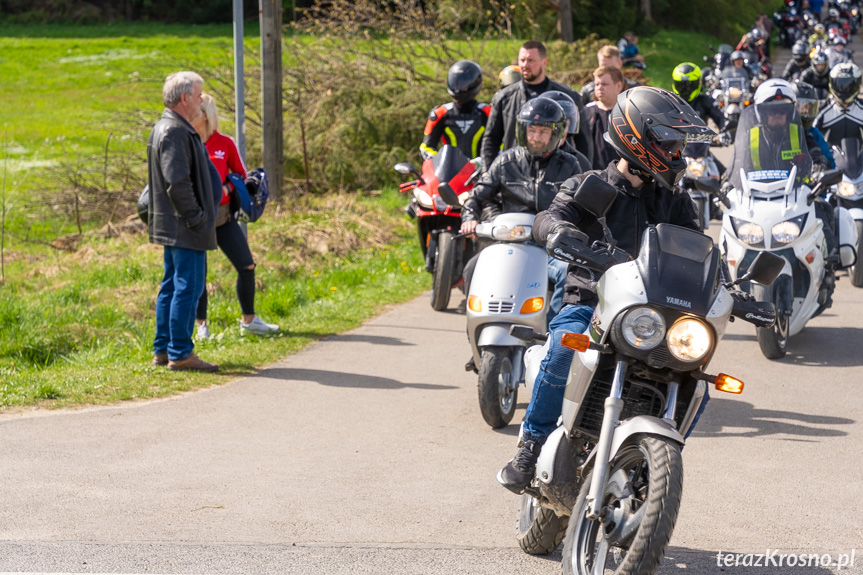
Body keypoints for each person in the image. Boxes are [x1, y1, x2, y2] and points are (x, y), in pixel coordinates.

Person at [496, 87, 710, 494]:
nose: (678, 153)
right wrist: (558, 229)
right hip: (591, 304)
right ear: (637, 137)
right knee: (562, 346)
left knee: (695, 380)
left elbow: (697, 247)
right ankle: (530, 445)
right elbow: (550, 216)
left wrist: (730, 285)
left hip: (652, 316)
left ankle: (656, 462)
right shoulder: (590, 185)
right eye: (670, 143)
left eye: (679, 145)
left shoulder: (674, 200)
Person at [460, 98, 583, 336]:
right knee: (472, 268)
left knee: (568, 270)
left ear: (556, 133)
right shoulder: (506, 161)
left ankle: (549, 333)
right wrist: (469, 217)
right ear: (522, 130)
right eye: (532, 130)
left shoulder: (571, 165)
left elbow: (585, 205)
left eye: (544, 131)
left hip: (549, 248)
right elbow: (477, 196)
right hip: (508, 243)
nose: (536, 137)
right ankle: (476, 332)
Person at [191, 94, 279, 338]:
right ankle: (201, 327)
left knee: (247, 265)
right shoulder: (188, 143)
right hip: (198, 221)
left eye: (197, 111)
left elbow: (242, 176)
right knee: (199, 274)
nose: (192, 115)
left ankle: (249, 321)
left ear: (206, 115)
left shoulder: (225, 143)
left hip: (222, 218)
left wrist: (226, 190)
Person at [148, 71, 218, 372]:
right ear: (185, 98)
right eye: (199, 95)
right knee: (187, 287)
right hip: (184, 226)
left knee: (171, 287)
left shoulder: (168, 126)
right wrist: (197, 218)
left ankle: (163, 350)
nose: (202, 100)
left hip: (174, 225)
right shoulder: (175, 131)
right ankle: (180, 352)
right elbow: (177, 183)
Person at [481, 41, 592, 170]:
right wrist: (486, 172)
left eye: (530, 61)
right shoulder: (504, 97)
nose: (525, 65)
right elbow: (491, 139)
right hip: (515, 173)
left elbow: (584, 141)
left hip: (557, 173)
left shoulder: (568, 97)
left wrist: (584, 175)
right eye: (522, 60)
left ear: (544, 62)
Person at [420, 60, 490, 162]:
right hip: (449, 173)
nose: (459, 88)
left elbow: (501, 144)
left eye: (464, 83)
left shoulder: (489, 112)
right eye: (456, 82)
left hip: (482, 172)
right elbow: (426, 147)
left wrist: (483, 161)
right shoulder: (440, 113)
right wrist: (438, 160)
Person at [813, 62, 863, 146]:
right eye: (840, 84)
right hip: (828, 158)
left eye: (849, 85)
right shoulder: (822, 110)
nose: (844, 89)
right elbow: (811, 138)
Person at [584, 66, 624, 170]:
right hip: (590, 174)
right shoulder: (585, 112)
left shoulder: (627, 113)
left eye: (605, 84)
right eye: (597, 84)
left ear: (618, 86)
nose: (600, 87)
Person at [543, 90, 592, 173]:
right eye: (555, 125)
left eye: (565, 124)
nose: (561, 131)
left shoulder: (580, 162)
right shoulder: (519, 159)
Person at [793, 80, 835, 168]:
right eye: (799, 107)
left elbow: (830, 162)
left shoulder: (813, 133)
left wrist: (822, 164)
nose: (804, 112)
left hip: (803, 180)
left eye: (808, 107)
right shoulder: (779, 130)